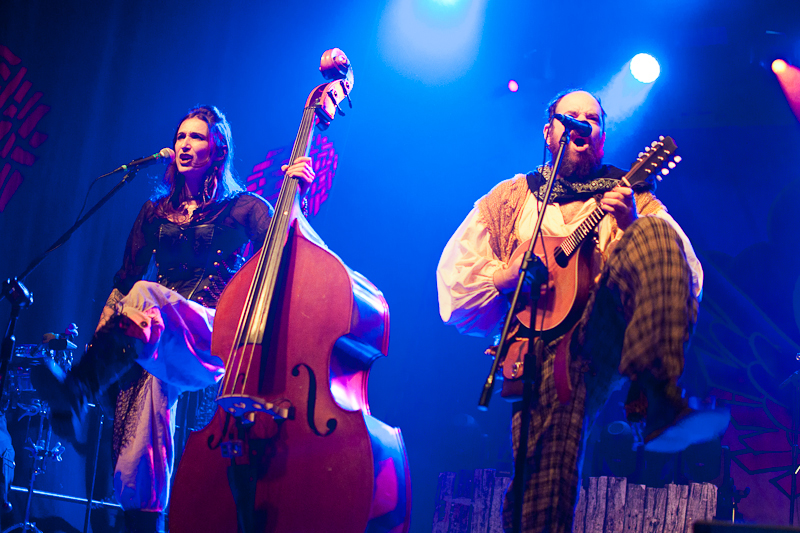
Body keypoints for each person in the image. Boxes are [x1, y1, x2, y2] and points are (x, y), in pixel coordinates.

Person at [436, 89, 730, 533]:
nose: (581, 124)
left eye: (591, 118)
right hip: (536, 352)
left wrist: (630, 224)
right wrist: (504, 276)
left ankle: (659, 395)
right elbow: (452, 286)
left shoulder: (629, 193)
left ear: (602, 137)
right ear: (549, 131)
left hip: (601, 334)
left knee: (654, 237)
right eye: (569, 116)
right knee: (539, 480)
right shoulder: (513, 200)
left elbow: (686, 274)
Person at [32, 105, 315, 533]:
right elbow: (124, 281)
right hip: (155, 330)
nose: (185, 144)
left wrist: (297, 197)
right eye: (181, 136)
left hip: (213, 330)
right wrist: (102, 343)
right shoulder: (154, 211)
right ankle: (143, 522)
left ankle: (77, 389)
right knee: (137, 443)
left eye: (197, 137)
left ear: (217, 149)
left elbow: (289, 250)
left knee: (149, 296)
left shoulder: (242, 208)